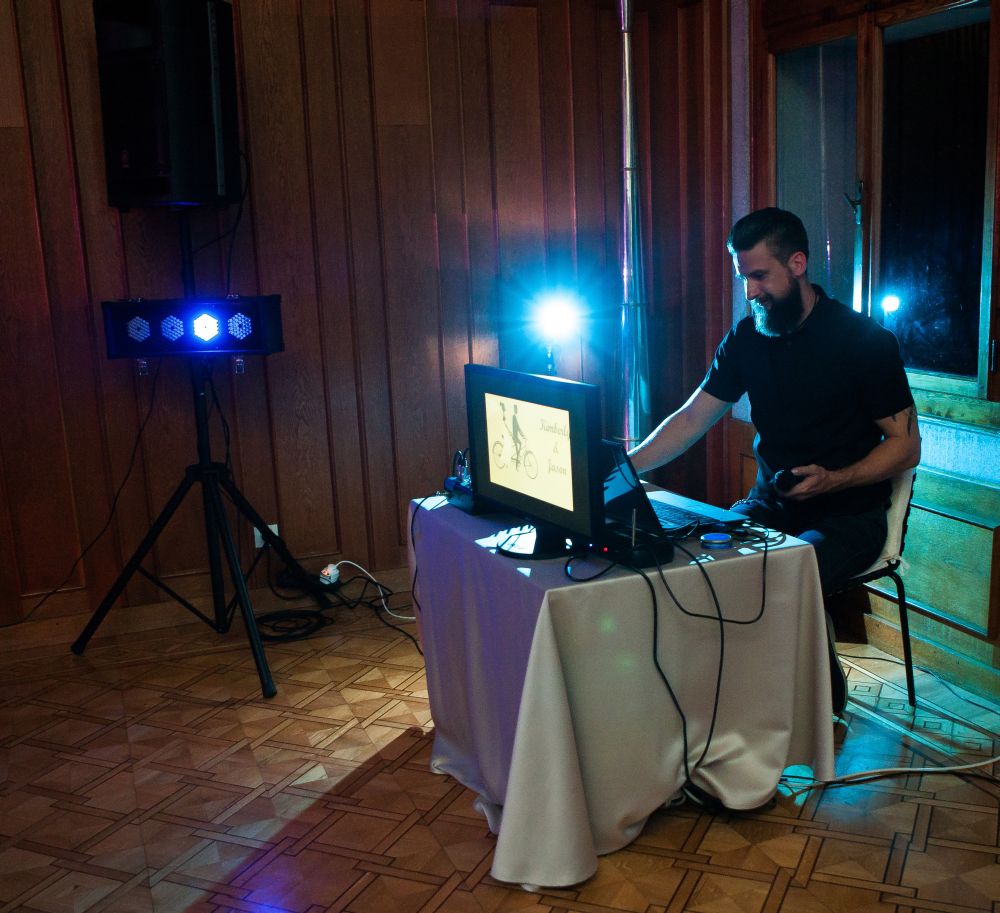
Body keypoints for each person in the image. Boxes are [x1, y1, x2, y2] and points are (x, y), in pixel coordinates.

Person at [628, 207, 921, 710]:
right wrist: (625, 466)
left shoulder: (864, 341)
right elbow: (693, 418)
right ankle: (726, 705)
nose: (750, 292)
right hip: (769, 506)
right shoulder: (746, 338)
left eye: (760, 276)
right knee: (699, 566)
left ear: (798, 263)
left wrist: (834, 479)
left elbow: (906, 445)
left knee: (785, 576)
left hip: (848, 516)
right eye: (744, 278)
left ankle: (820, 703)